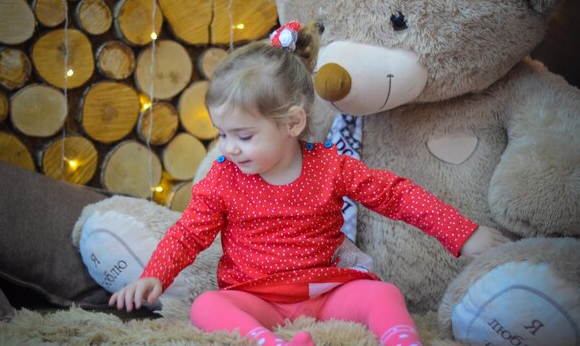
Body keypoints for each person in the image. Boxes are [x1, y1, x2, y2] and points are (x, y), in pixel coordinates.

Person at [110, 21, 509, 346]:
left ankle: (402, 340)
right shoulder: (222, 179)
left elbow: (397, 195)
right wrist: (155, 274)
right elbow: (188, 233)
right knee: (207, 307)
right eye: (221, 133)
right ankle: (269, 342)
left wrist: (464, 233)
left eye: (244, 136)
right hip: (255, 297)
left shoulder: (331, 167)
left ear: (293, 124)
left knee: (384, 294)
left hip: (325, 291)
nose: (229, 147)